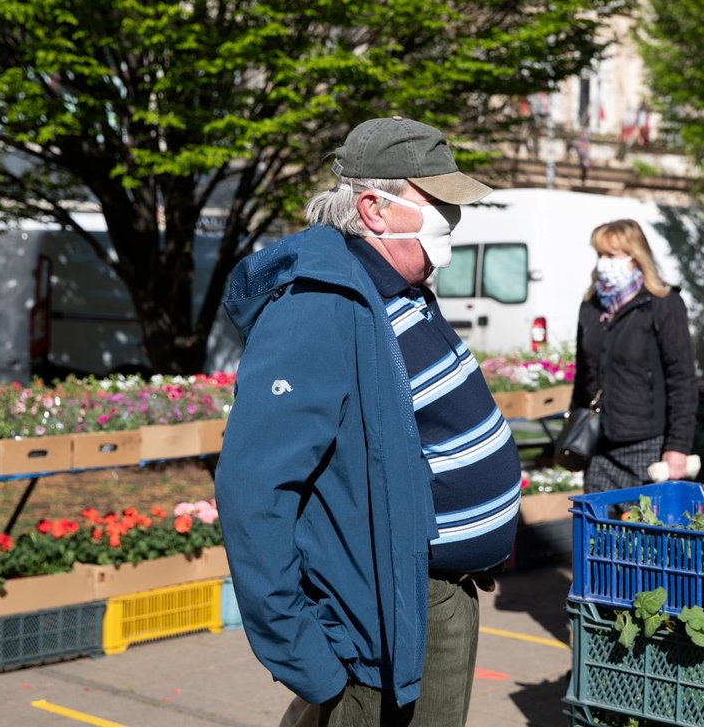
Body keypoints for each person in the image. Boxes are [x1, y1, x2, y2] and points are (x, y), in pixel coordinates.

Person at [215, 116, 521, 727]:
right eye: (439, 205)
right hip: (382, 620)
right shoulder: (318, 308)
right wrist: (312, 665)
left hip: (433, 598)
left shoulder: (398, 285)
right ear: (375, 210)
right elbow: (253, 492)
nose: (453, 223)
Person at [570, 219, 698, 493]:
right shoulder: (591, 307)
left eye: (611, 255)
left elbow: (682, 379)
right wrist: (573, 428)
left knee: (643, 531)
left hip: (648, 445)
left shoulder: (663, 304)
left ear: (634, 257)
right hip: (600, 445)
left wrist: (677, 446)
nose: (603, 263)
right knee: (597, 532)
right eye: (599, 255)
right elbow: (584, 374)